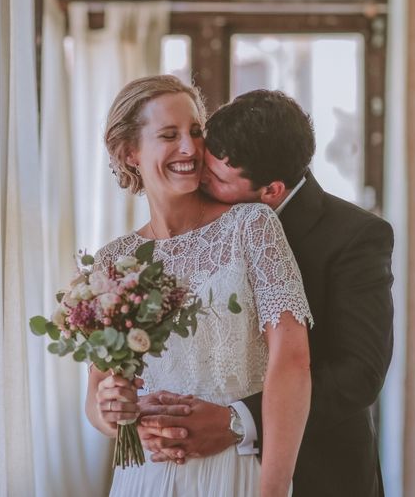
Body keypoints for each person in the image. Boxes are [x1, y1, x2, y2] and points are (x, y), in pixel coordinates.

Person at [136, 90, 394, 497]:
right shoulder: (193, 226)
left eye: (216, 178)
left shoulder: (355, 236)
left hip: (318, 471)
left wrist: (236, 420)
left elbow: (360, 374)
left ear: (271, 191)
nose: (200, 179)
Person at [85, 76, 313, 497]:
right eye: (169, 135)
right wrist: (111, 413)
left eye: (195, 131)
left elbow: (293, 362)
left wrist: (274, 490)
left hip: (235, 472)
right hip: (145, 478)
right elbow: (98, 395)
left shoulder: (251, 226)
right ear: (129, 153)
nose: (190, 149)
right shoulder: (112, 261)